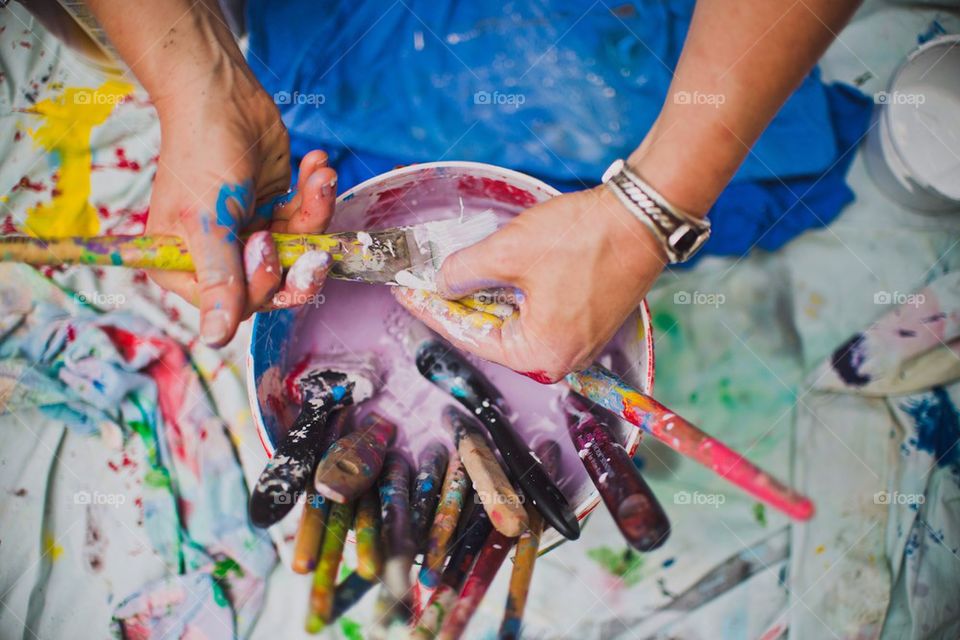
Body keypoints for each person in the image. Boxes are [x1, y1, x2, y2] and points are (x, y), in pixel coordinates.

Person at [84, 0, 861, 379]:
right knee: (332, 195)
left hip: (650, 47)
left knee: (724, 156)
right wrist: (198, 82)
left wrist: (645, 213)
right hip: (319, 43)